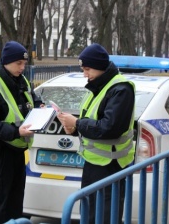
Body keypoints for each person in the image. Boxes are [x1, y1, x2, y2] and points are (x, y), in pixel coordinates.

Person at [57, 43, 136, 224]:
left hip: (111, 165)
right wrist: (74, 128)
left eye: (87, 69)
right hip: (94, 162)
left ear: (100, 67)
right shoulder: (97, 86)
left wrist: (77, 123)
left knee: (105, 216)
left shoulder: (121, 89)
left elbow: (109, 128)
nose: (85, 74)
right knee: (90, 214)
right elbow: (92, 120)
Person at [0, 41, 43, 224]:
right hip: (0, 153)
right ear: (6, 62)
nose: (22, 67)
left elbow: (32, 101)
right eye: (18, 64)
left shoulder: (21, 81)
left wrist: (42, 108)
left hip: (17, 152)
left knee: (15, 205)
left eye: (24, 64)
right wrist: (16, 131)